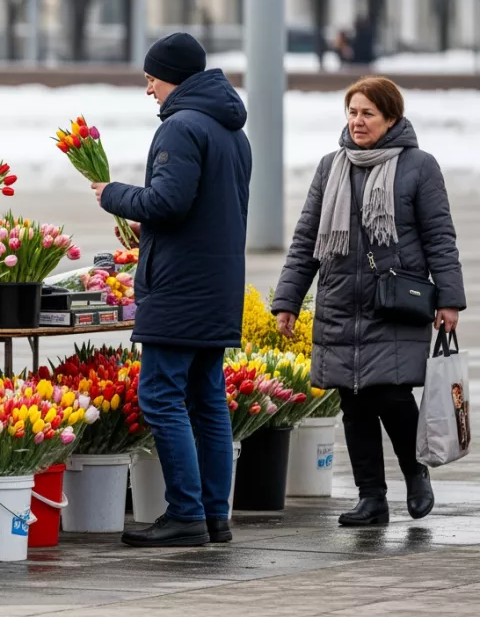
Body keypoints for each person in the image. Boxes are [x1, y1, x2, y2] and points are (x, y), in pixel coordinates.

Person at [273, 76, 465, 526]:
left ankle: (416, 475)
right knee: (353, 401)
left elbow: (440, 237)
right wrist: (288, 300)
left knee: (393, 395)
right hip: (341, 300)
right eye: (352, 112)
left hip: (393, 302)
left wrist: (450, 300)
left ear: (391, 118)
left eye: (368, 114)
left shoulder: (420, 166)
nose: (357, 122)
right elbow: (306, 241)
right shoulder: (330, 167)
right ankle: (371, 498)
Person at [93, 33, 251, 547]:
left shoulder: (181, 128)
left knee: (160, 397)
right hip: (216, 283)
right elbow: (202, 209)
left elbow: (169, 202)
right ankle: (214, 516)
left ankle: (184, 513)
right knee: (207, 401)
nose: (149, 91)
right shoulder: (231, 131)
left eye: (152, 79)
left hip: (180, 288)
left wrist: (112, 195)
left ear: (172, 78)